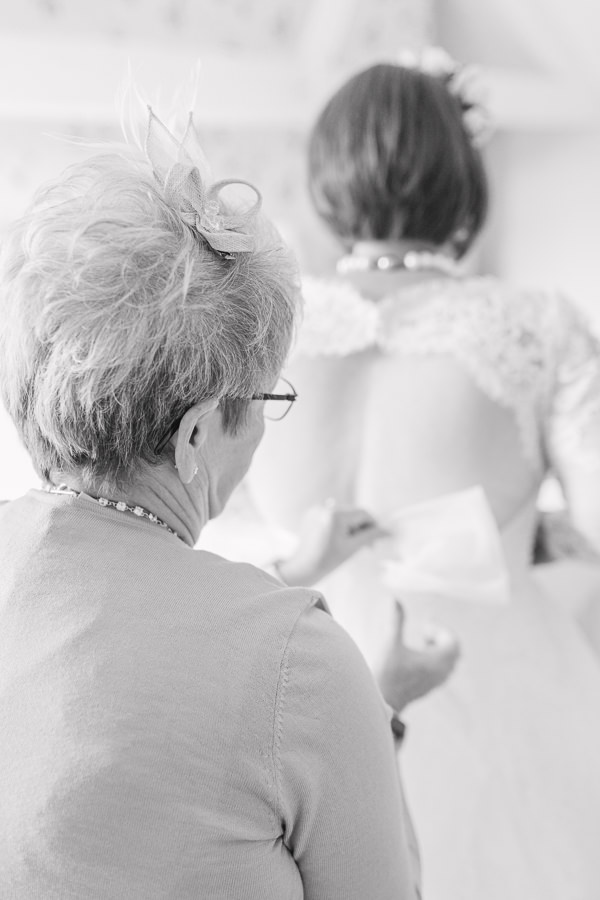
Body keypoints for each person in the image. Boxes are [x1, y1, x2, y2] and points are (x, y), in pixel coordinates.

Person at [0, 107, 423, 899]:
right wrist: (381, 709)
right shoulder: (303, 665)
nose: (265, 423)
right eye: (266, 396)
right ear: (196, 435)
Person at [247, 50, 600, 900]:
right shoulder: (533, 325)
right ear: (464, 176)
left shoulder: (268, 330)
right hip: (493, 693)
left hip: (304, 709)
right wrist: (546, 534)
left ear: (329, 179)